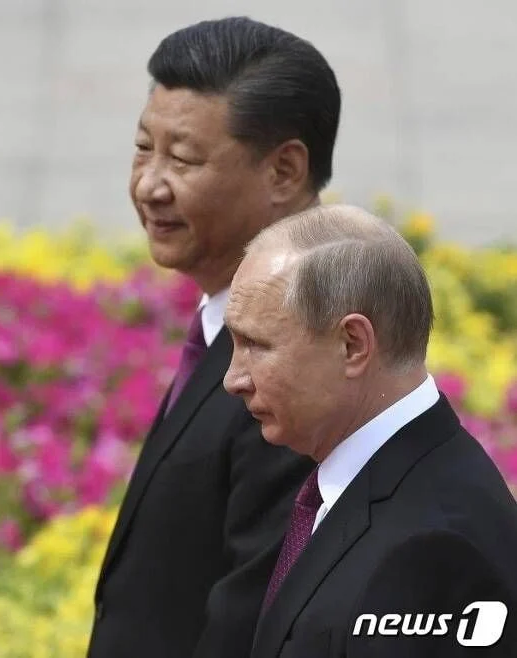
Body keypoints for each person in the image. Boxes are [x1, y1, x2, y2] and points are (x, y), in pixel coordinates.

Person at [87, 16, 341, 658]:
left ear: (284, 171)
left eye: (183, 159)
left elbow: (254, 625)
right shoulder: (226, 321)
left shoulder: (301, 363)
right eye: (144, 148)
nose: (149, 185)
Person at [223, 204, 517, 657]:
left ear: (353, 344)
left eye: (255, 345)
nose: (233, 379)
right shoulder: (380, 481)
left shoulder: (433, 548)